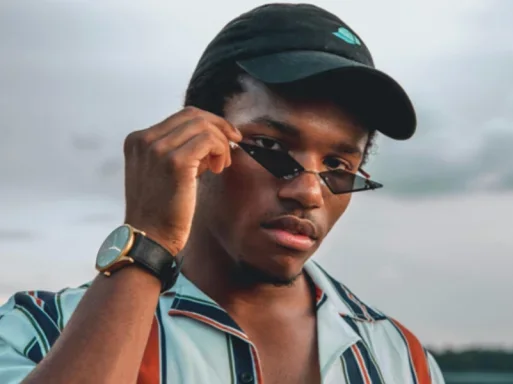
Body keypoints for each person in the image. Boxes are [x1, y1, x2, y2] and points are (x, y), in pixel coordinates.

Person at [0, 3, 445, 384]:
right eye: (270, 147)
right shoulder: (37, 331)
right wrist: (146, 240)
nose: (309, 192)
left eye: (338, 165)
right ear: (191, 136)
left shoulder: (401, 359)